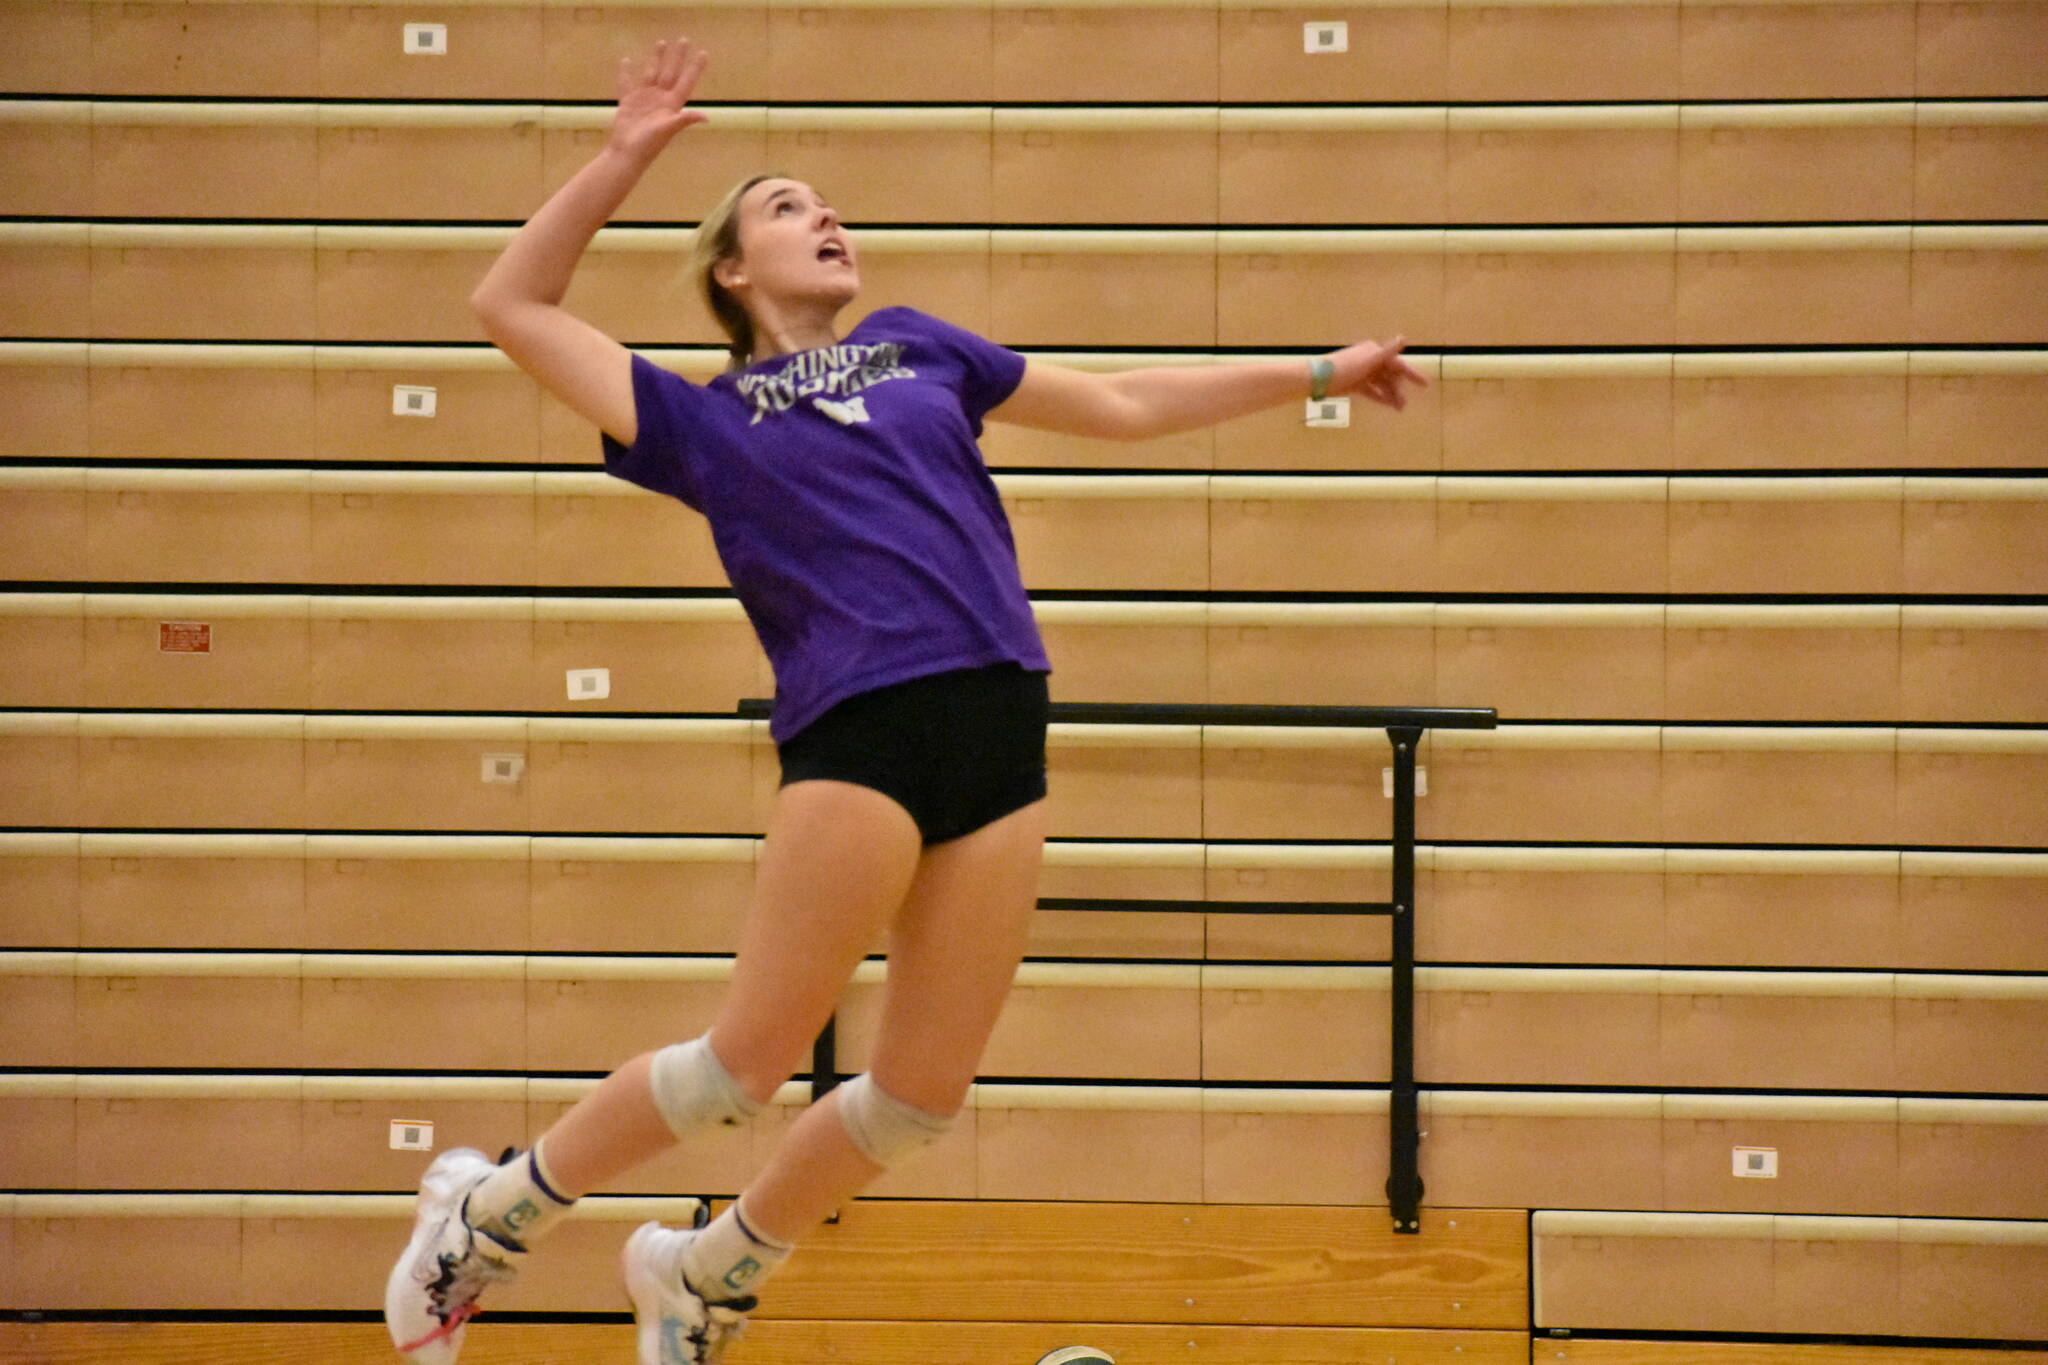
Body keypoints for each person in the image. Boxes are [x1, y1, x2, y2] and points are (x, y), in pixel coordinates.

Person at [383, 34, 1428, 1365]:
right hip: (862, 721)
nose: (822, 215)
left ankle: (707, 1268)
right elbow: (512, 305)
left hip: (1001, 718)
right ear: (729, 271)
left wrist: (1321, 372)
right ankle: (490, 1213)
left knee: (920, 1097)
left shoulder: (918, 346)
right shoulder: (702, 414)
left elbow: (1119, 401)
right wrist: (620, 158)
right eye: (783, 206)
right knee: (738, 1070)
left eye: (826, 203)